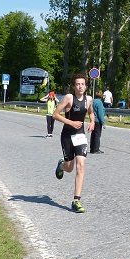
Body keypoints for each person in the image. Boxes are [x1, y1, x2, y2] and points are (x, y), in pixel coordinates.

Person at [53, 73, 95, 213]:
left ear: (86, 85)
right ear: (73, 86)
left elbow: (90, 112)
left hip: (80, 136)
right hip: (67, 135)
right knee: (69, 167)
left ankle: (76, 201)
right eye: (77, 84)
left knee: (81, 166)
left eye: (82, 84)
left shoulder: (89, 99)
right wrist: (71, 122)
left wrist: (92, 122)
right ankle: (61, 165)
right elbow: (55, 114)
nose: (80, 86)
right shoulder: (69, 98)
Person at [90, 89, 106, 154]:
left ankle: (92, 148)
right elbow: (100, 114)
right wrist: (103, 123)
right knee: (97, 135)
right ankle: (96, 149)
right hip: (98, 121)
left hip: (93, 120)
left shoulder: (93, 101)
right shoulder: (99, 103)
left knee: (93, 135)